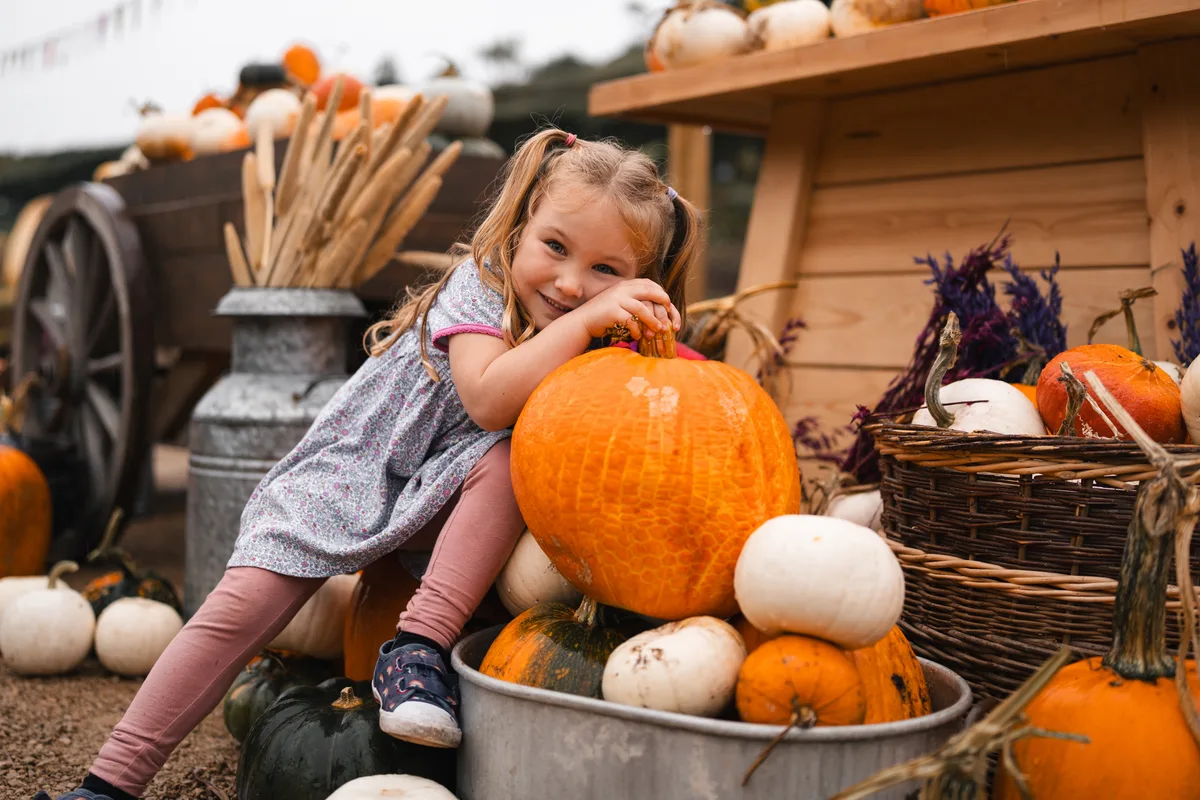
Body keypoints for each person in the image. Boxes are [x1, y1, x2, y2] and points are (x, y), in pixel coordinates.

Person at [36, 126, 705, 800]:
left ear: (638, 278)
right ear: (521, 225)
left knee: (508, 464)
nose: (568, 283)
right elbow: (486, 399)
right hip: (355, 469)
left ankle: (416, 649)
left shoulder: (600, 327)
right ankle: (109, 784)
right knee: (238, 611)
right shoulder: (481, 287)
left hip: (450, 493)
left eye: (606, 271)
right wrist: (587, 323)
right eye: (555, 247)